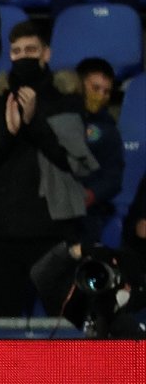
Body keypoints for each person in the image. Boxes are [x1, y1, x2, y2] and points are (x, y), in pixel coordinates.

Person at [0, 21, 94, 316]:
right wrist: (8, 133)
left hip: (50, 230)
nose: (22, 56)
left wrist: (34, 121)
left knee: (62, 321)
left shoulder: (66, 98)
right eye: (16, 51)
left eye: (30, 49)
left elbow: (71, 160)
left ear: (45, 54)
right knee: (2, 322)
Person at [74, 57, 124, 245]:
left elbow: (113, 178)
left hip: (86, 213)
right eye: (95, 88)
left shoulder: (108, 131)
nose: (101, 96)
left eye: (106, 92)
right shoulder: (55, 116)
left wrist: (92, 194)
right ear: (79, 84)